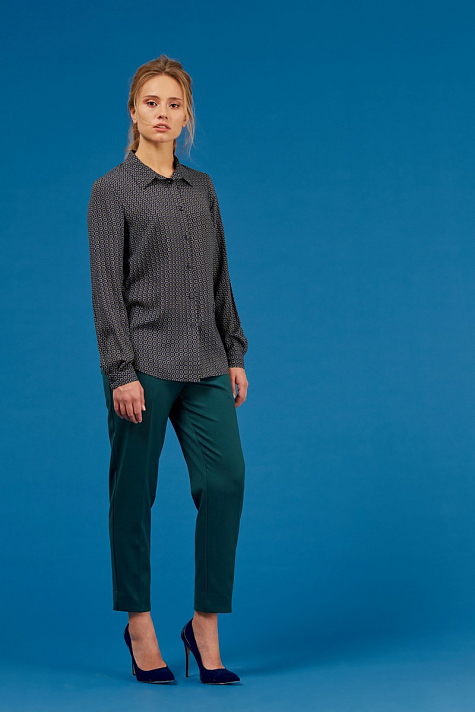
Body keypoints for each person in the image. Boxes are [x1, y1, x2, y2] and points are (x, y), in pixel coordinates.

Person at [87, 54, 249, 685]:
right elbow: (106, 288)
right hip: (143, 365)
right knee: (134, 496)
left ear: (187, 117)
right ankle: (139, 623)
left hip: (205, 360)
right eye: (151, 102)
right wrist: (119, 369)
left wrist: (234, 352)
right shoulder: (113, 190)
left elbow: (219, 276)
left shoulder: (201, 188)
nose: (162, 113)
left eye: (173, 104)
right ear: (133, 112)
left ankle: (204, 623)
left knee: (226, 482)